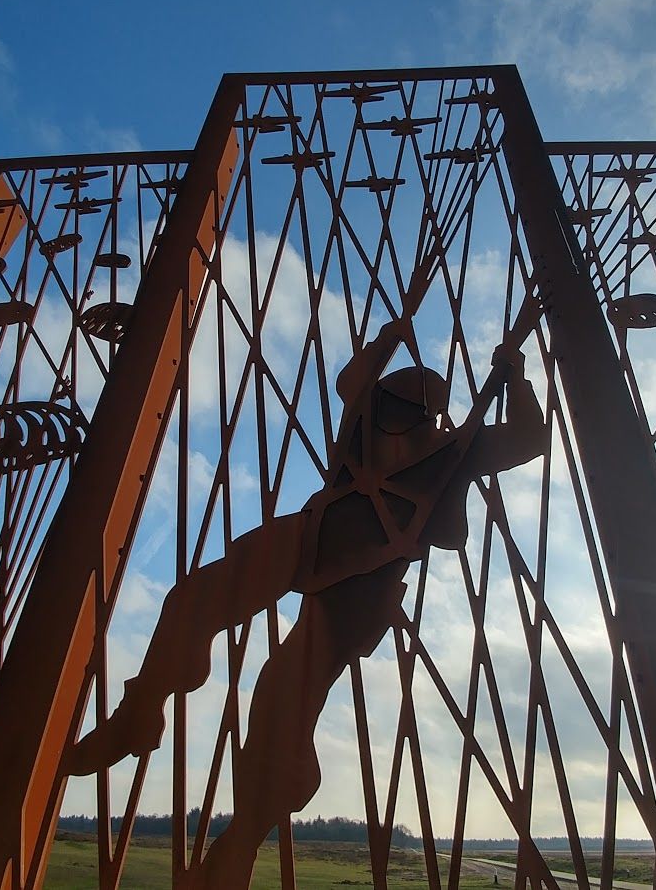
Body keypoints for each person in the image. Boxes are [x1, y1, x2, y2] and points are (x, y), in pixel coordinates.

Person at [68, 312, 547, 886]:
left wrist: (514, 376)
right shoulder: (378, 426)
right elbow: (358, 383)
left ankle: (236, 851)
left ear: (423, 418)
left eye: (402, 408)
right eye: (390, 404)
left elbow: (527, 439)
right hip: (311, 539)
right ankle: (139, 712)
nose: (390, 416)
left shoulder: (446, 449)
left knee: (277, 702)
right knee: (195, 600)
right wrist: (401, 340)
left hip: (361, 582)